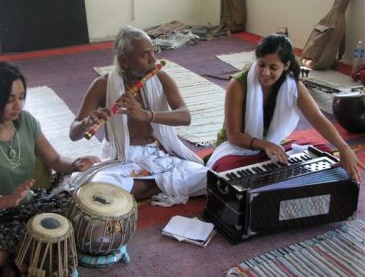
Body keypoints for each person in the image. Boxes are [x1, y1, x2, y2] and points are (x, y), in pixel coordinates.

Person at [0, 62, 99, 276]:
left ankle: (27, 253)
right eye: (9, 100)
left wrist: (75, 164)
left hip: (32, 202)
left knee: (87, 218)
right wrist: (3, 201)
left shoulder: (26, 122)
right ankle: (39, 248)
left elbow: (54, 159)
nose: (18, 105)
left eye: (21, 97)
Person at [69, 25, 207, 206]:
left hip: (157, 155)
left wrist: (147, 115)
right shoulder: (102, 85)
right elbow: (73, 133)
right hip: (119, 158)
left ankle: (142, 188)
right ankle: (159, 185)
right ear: (124, 61)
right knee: (98, 187)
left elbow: (185, 116)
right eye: (145, 55)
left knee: (209, 179)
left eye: (153, 52)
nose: (153, 59)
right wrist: (86, 123)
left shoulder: (161, 78)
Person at [206, 33, 364, 183]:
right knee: (227, 172)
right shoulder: (238, 84)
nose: (265, 73)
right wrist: (265, 145)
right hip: (236, 148)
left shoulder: (293, 86)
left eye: (273, 68)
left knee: (323, 152)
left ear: (286, 65)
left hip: (274, 145)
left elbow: (317, 119)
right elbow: (234, 136)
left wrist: (343, 147)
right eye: (261, 65)